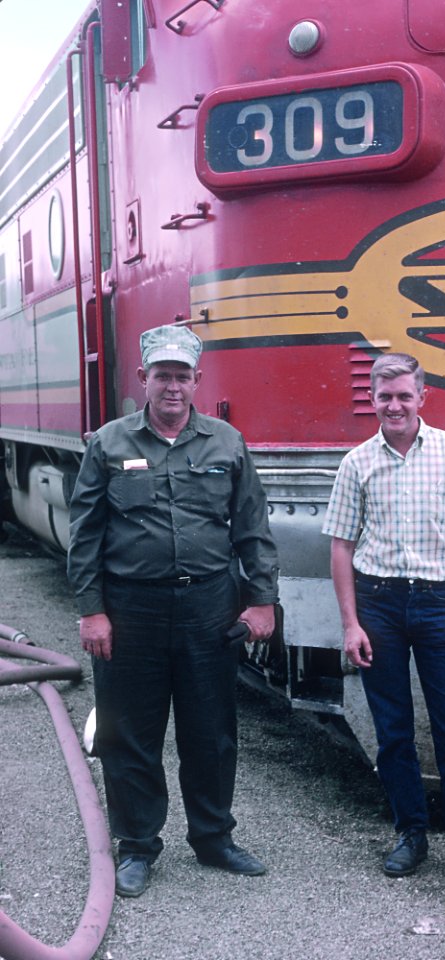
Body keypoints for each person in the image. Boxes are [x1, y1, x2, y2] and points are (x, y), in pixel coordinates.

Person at [67, 324, 279, 898]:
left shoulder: (226, 443)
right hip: (129, 609)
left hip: (208, 607)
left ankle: (213, 838)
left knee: (210, 731)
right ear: (144, 380)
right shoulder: (108, 444)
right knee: (129, 732)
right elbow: (84, 536)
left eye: (182, 376)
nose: (173, 387)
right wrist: (92, 611)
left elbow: (253, 529)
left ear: (196, 381)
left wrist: (261, 600)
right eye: (162, 375)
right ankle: (137, 847)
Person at [322, 352, 445, 891]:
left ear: (422, 397)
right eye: (385, 396)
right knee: (394, 733)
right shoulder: (357, 462)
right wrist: (350, 624)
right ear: (373, 400)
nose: (395, 405)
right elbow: (341, 547)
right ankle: (411, 836)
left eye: (405, 395)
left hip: (437, 606)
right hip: (378, 604)